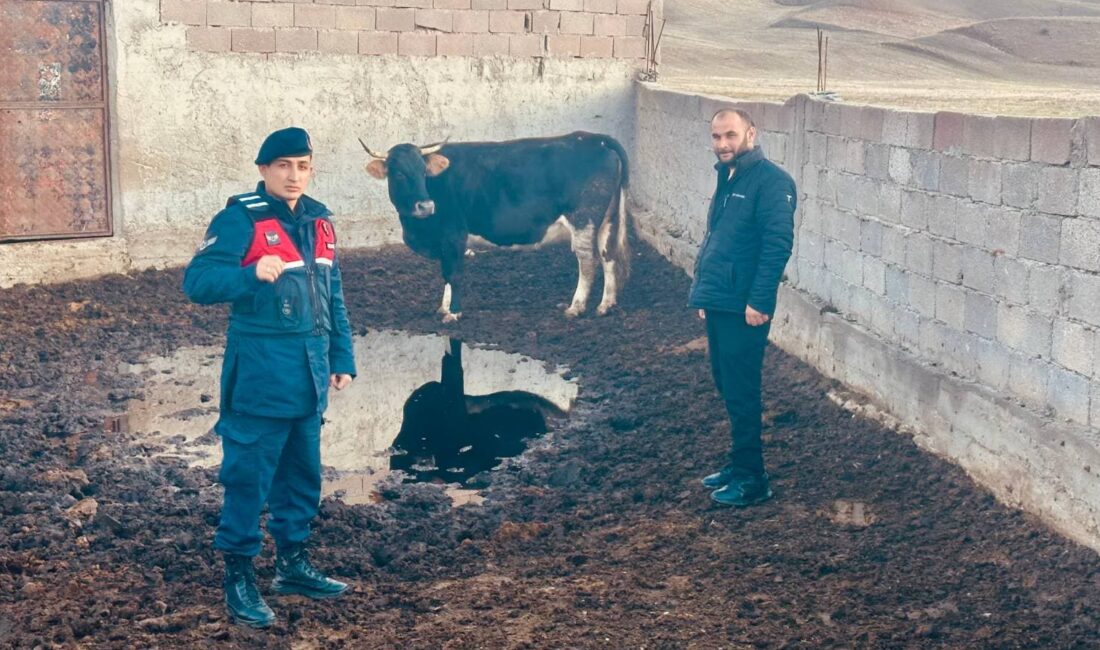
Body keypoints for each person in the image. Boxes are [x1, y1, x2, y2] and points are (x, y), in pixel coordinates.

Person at [183, 127, 357, 628]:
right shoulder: (239, 220)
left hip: (309, 375)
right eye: (283, 165)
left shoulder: (321, 223)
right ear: (263, 170)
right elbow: (196, 282)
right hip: (260, 374)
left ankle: (293, 566)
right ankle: (239, 576)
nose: (294, 175)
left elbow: (333, 297)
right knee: (247, 479)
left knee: (302, 476)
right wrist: (249, 273)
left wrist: (341, 357)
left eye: (303, 165)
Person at [688, 108, 796, 507]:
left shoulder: (772, 182)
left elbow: (777, 246)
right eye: (716, 137)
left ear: (752, 133)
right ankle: (738, 463)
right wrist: (705, 295)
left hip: (744, 307)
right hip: (721, 300)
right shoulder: (728, 176)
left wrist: (759, 301)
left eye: (730, 136)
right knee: (725, 383)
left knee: (742, 388)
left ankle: (753, 478)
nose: (722, 145)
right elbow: (717, 239)